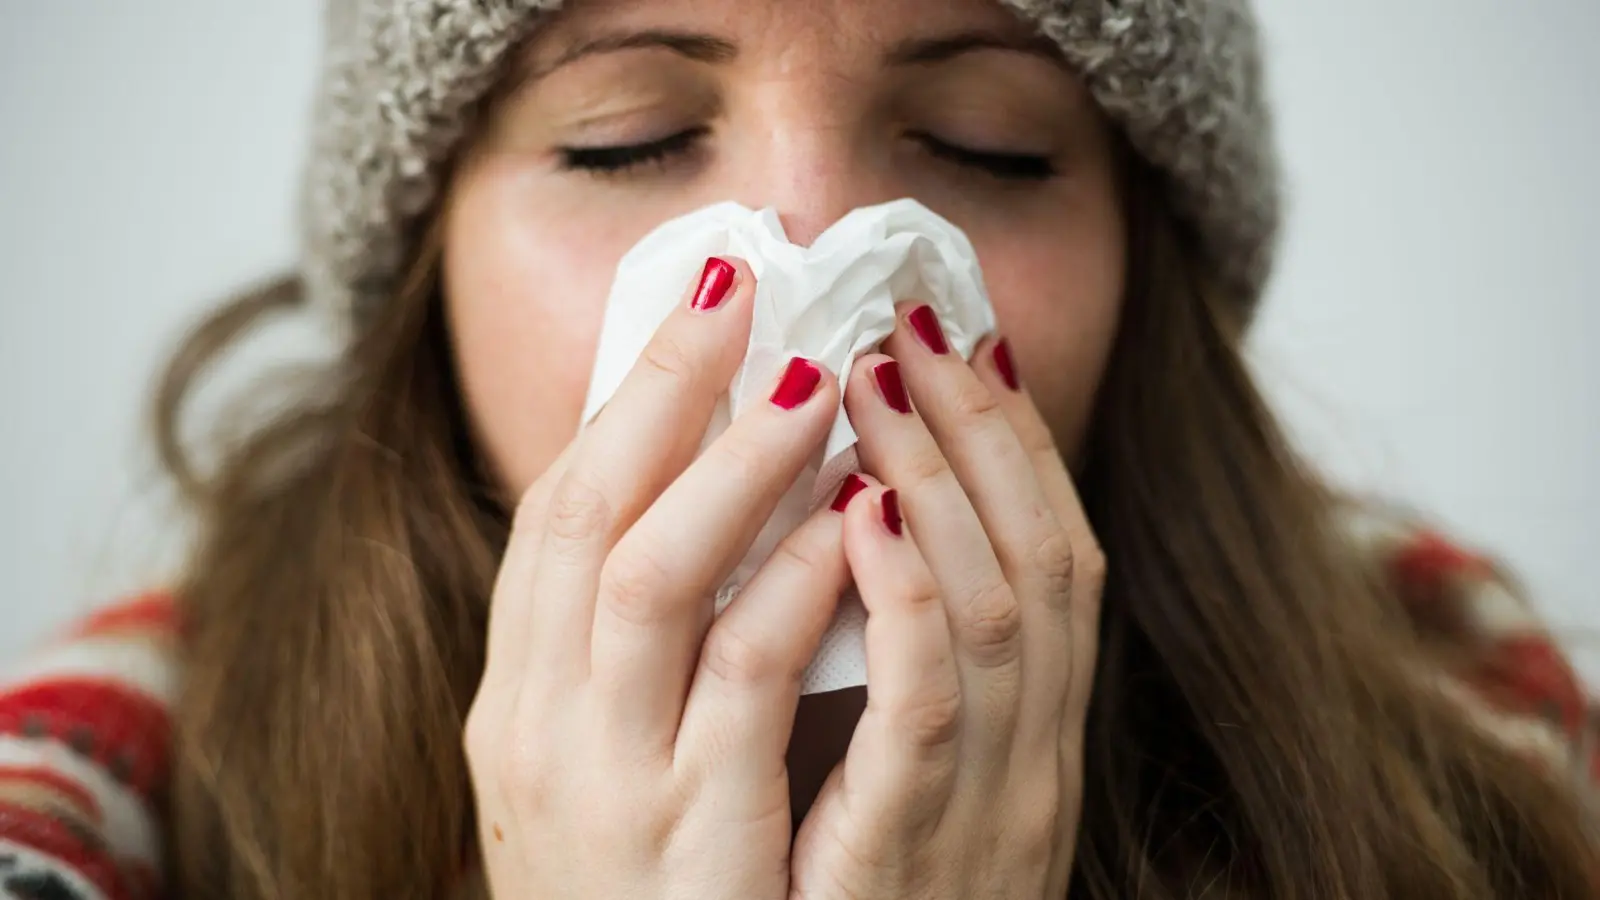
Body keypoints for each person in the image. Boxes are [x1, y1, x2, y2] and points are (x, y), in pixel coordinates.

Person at [1, 0, 1595, 898]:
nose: (815, 255)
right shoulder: (79, 828)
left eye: (986, 147)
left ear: (1144, 270)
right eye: (627, 138)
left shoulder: (1502, 805)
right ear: (428, 274)